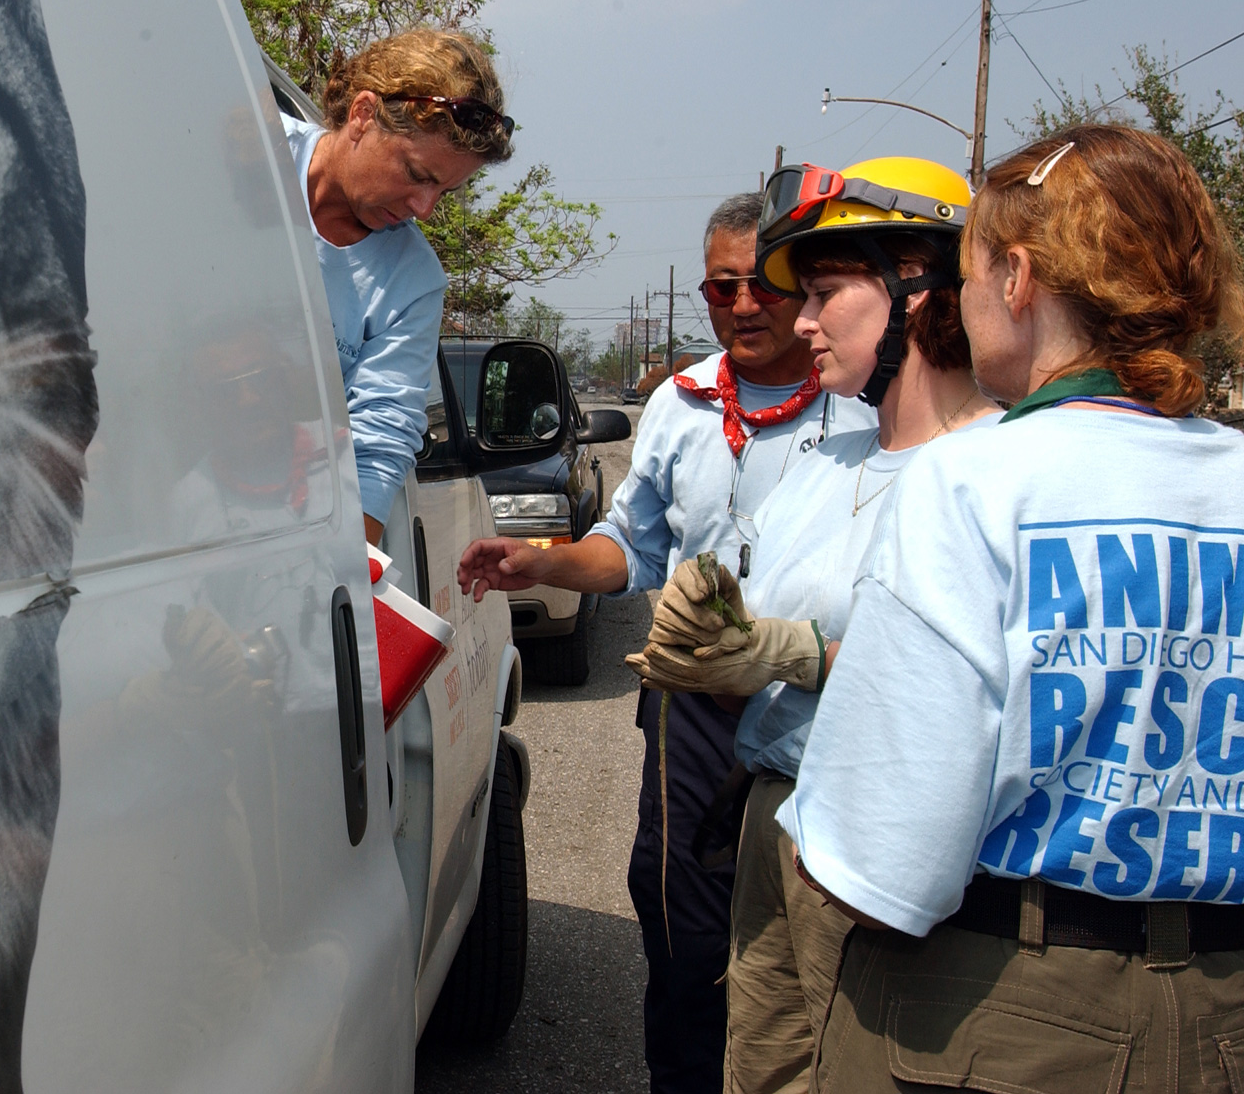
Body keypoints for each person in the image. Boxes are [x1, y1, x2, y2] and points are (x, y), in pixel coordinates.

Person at [780, 126, 1244, 1093]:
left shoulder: (974, 483)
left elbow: (885, 859)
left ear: (1019, 279)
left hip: (1002, 1013)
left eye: (974, 270)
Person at [458, 192, 873, 1094]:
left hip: (826, 710)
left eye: (767, 283)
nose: (746, 305)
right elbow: (628, 548)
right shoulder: (680, 405)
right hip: (694, 710)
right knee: (684, 928)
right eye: (725, 287)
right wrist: (542, 561)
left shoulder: (868, 410)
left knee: (823, 932)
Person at [625, 158, 995, 1094]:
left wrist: (796, 653)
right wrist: (709, 618)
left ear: (924, 290)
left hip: (878, 856)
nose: (797, 320)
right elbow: (762, 599)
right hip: (773, 824)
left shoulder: (998, 471)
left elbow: (979, 680)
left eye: (824, 293)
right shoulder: (834, 458)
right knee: (756, 1061)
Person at [282, 29, 513, 545]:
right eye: (416, 173)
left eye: (444, 192)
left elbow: (377, 442)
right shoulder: (249, 146)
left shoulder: (413, 281)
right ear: (363, 115)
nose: (424, 207)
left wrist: (339, 581)